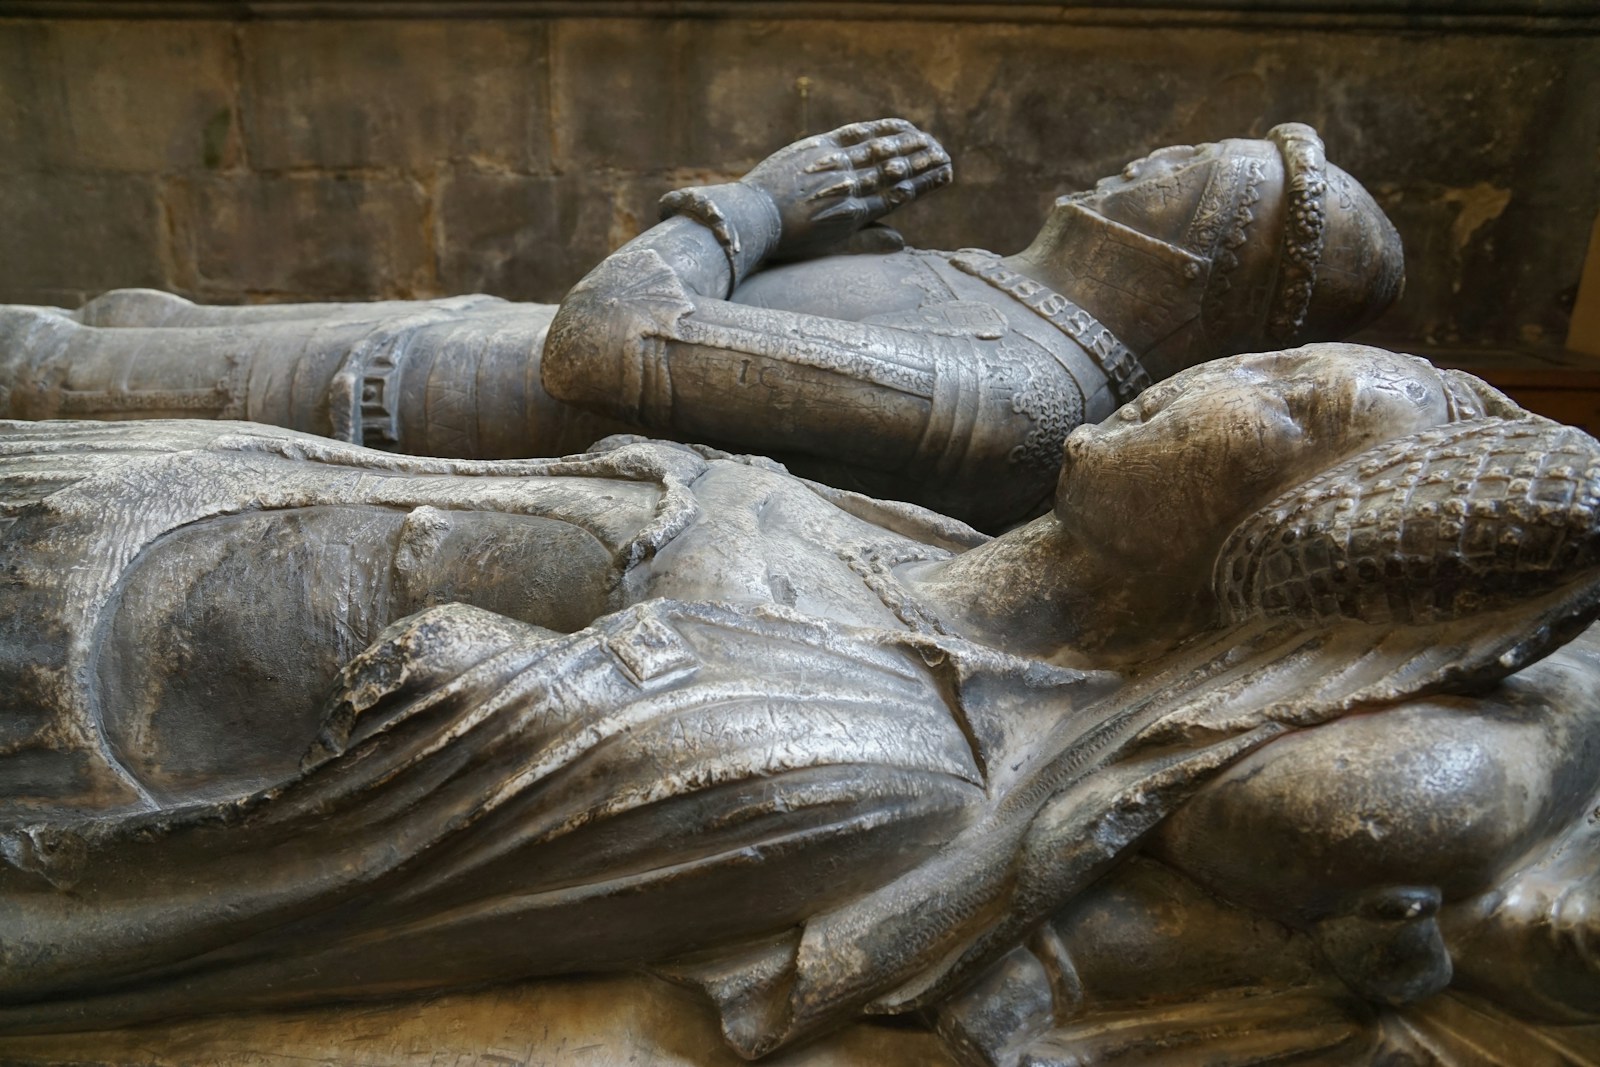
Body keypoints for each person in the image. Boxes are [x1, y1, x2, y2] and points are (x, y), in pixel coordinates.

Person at [1, 343, 1596, 1064]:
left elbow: (404, 788)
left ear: (1279, 554)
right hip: (133, 499)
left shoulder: (883, 768)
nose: (1226, 375)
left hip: (64, 711)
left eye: (1294, 406)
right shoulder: (892, 541)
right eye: (1285, 355)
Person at [0, 120, 1402, 529]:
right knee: (110, 318)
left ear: (1203, 258)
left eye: (1169, 176)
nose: (1129, 166)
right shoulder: (1007, 304)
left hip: (396, 409)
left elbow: (607, 351)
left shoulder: (1013, 394)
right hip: (432, 342)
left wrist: (757, 202)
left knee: (42, 369)